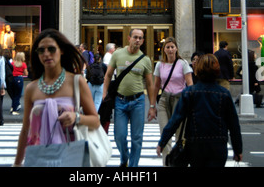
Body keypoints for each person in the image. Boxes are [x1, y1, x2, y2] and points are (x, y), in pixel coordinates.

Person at [13, 29, 100, 167]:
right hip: (38, 156)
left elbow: (95, 121)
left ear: (62, 51)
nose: (46, 54)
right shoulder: (31, 88)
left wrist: (76, 117)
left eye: (51, 49)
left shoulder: (76, 82)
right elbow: (25, 130)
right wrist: (17, 164)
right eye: (41, 50)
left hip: (70, 156)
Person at [156, 54, 243, 167]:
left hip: (195, 145)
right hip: (218, 145)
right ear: (217, 70)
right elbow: (234, 125)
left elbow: (175, 120)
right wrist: (238, 150)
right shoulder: (224, 94)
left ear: (197, 70)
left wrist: (162, 142)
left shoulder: (189, 92)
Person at [102, 28, 156, 167]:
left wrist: (152, 106)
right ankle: (124, 158)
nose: (137, 40)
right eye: (135, 37)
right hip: (120, 101)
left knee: (137, 138)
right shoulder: (118, 54)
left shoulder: (145, 60)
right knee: (119, 136)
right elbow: (108, 75)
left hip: (138, 101)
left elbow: (150, 84)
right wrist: (104, 93)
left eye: (140, 38)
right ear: (129, 38)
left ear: (143, 41)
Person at [151, 36, 193, 166]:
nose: (170, 50)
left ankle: (179, 163)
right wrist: (152, 105)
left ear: (176, 49)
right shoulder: (160, 65)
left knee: (180, 135)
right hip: (164, 99)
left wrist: (191, 104)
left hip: (180, 99)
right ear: (164, 50)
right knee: (165, 133)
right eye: (167, 47)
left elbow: (190, 84)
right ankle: (166, 164)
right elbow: (156, 86)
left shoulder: (183, 64)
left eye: (172, 47)